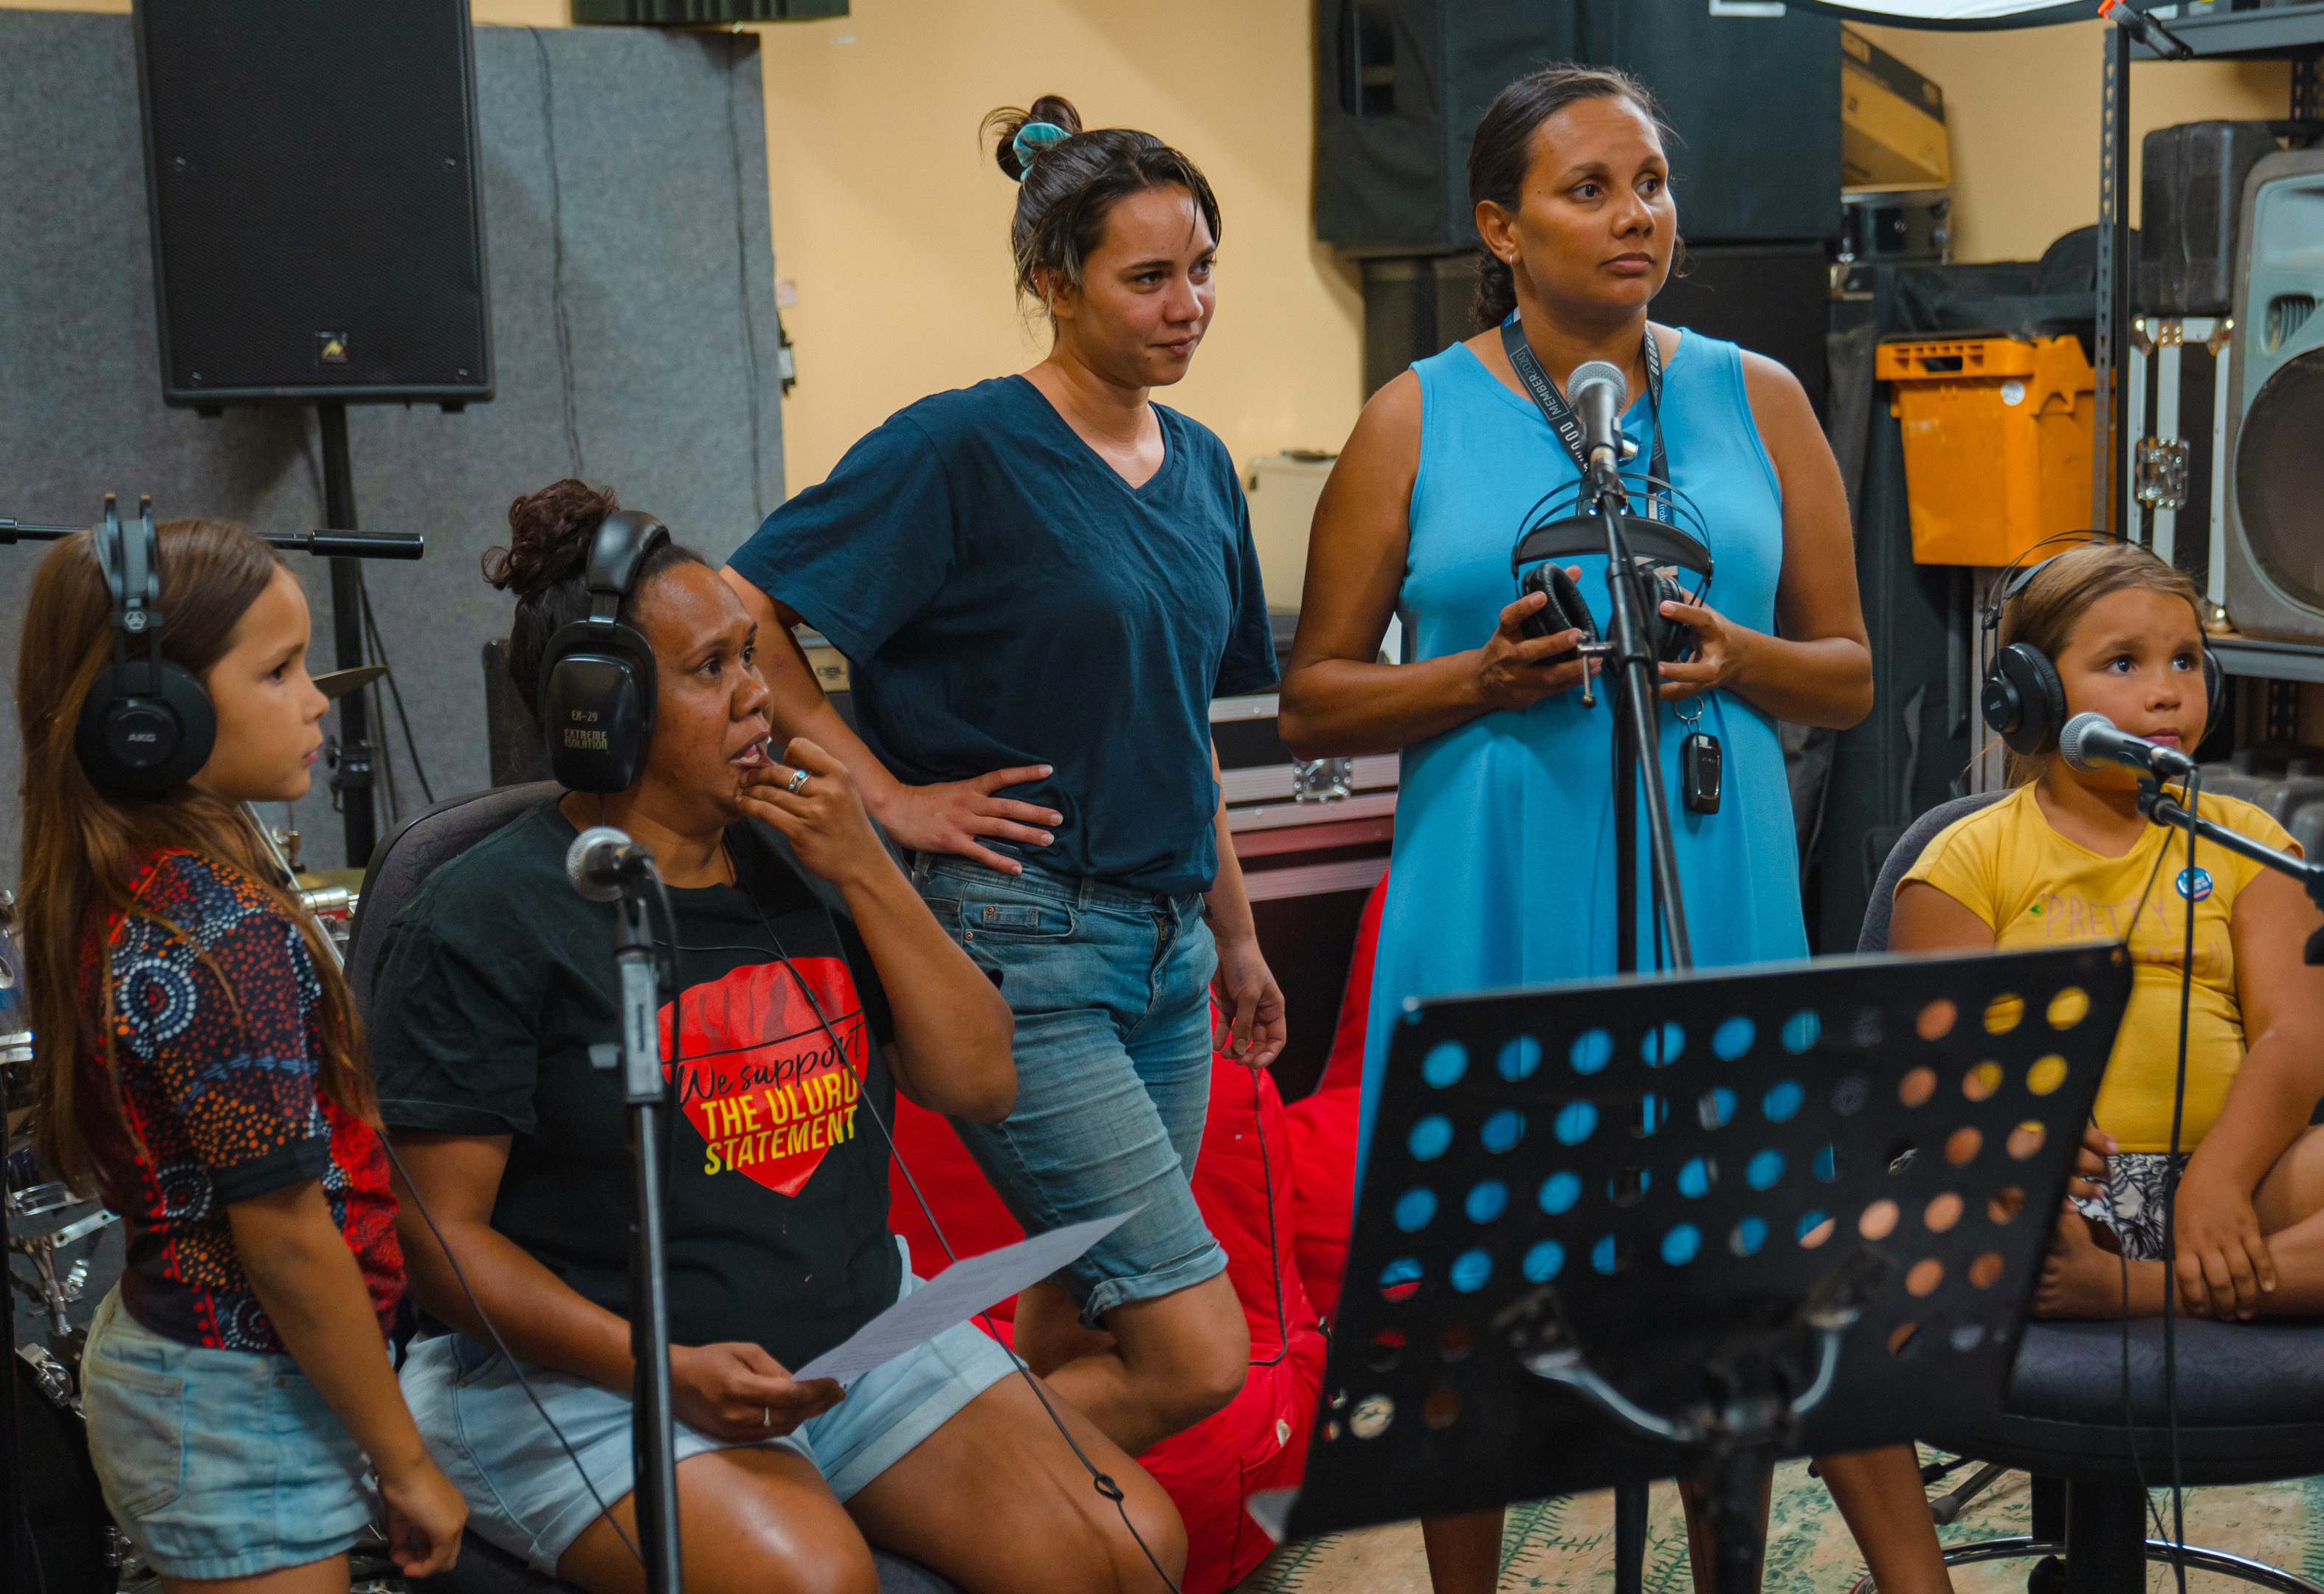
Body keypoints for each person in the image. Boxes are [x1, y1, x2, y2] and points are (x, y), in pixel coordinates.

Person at [1274, 63, 1873, 1594]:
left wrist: (1734, 657)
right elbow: (1316, 702)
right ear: (1499, 222)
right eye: (1588, 189)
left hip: (1712, 888)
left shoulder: (1764, 396)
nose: (1635, 217)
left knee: (1749, 1277)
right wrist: (1477, 678)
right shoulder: (1411, 417)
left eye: (1651, 185)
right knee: (1479, 1289)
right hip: (1493, 894)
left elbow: (1852, 673)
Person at [368, 480, 1185, 1594]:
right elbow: (443, 1245)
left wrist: (865, 868)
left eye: (750, 656)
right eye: (713, 669)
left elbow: (980, 1082)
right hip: (581, 1383)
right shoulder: (483, 919)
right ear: (602, 708)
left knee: (1132, 1547)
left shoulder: (803, 851)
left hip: (854, 1342)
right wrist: (665, 1369)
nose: (760, 696)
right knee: (813, 1584)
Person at [719, 94, 1280, 1456]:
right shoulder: (958, 446)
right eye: (1147, 278)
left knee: (1081, 1315)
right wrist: (882, 796)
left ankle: (1023, 1547)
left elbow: (1177, 726)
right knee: (1194, 1351)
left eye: (1200, 268)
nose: (1185, 304)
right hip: (1018, 947)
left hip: (1165, 957)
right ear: (1052, 284)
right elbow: (742, 611)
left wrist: (1238, 931)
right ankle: (818, 1475)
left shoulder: (1200, 464)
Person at [1827, 540, 2324, 1594]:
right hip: (2046, 1195)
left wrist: (2224, 1183)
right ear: (2031, 694)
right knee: (1828, 1291)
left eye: (2186, 662)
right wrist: (2020, 1136)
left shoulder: (2243, 841)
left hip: (2225, 1189)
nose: (2163, 693)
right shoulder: (1968, 857)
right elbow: (1938, 1077)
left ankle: (2131, 1292)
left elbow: (2295, 1036)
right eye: (2123, 663)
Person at [14, 518, 466, 1591]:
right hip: (238, 1404)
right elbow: (287, 1241)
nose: (318, 699)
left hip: (215, 1380)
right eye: (277, 670)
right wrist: (407, 1462)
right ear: (145, 719)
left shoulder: (136, 883)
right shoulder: (214, 938)